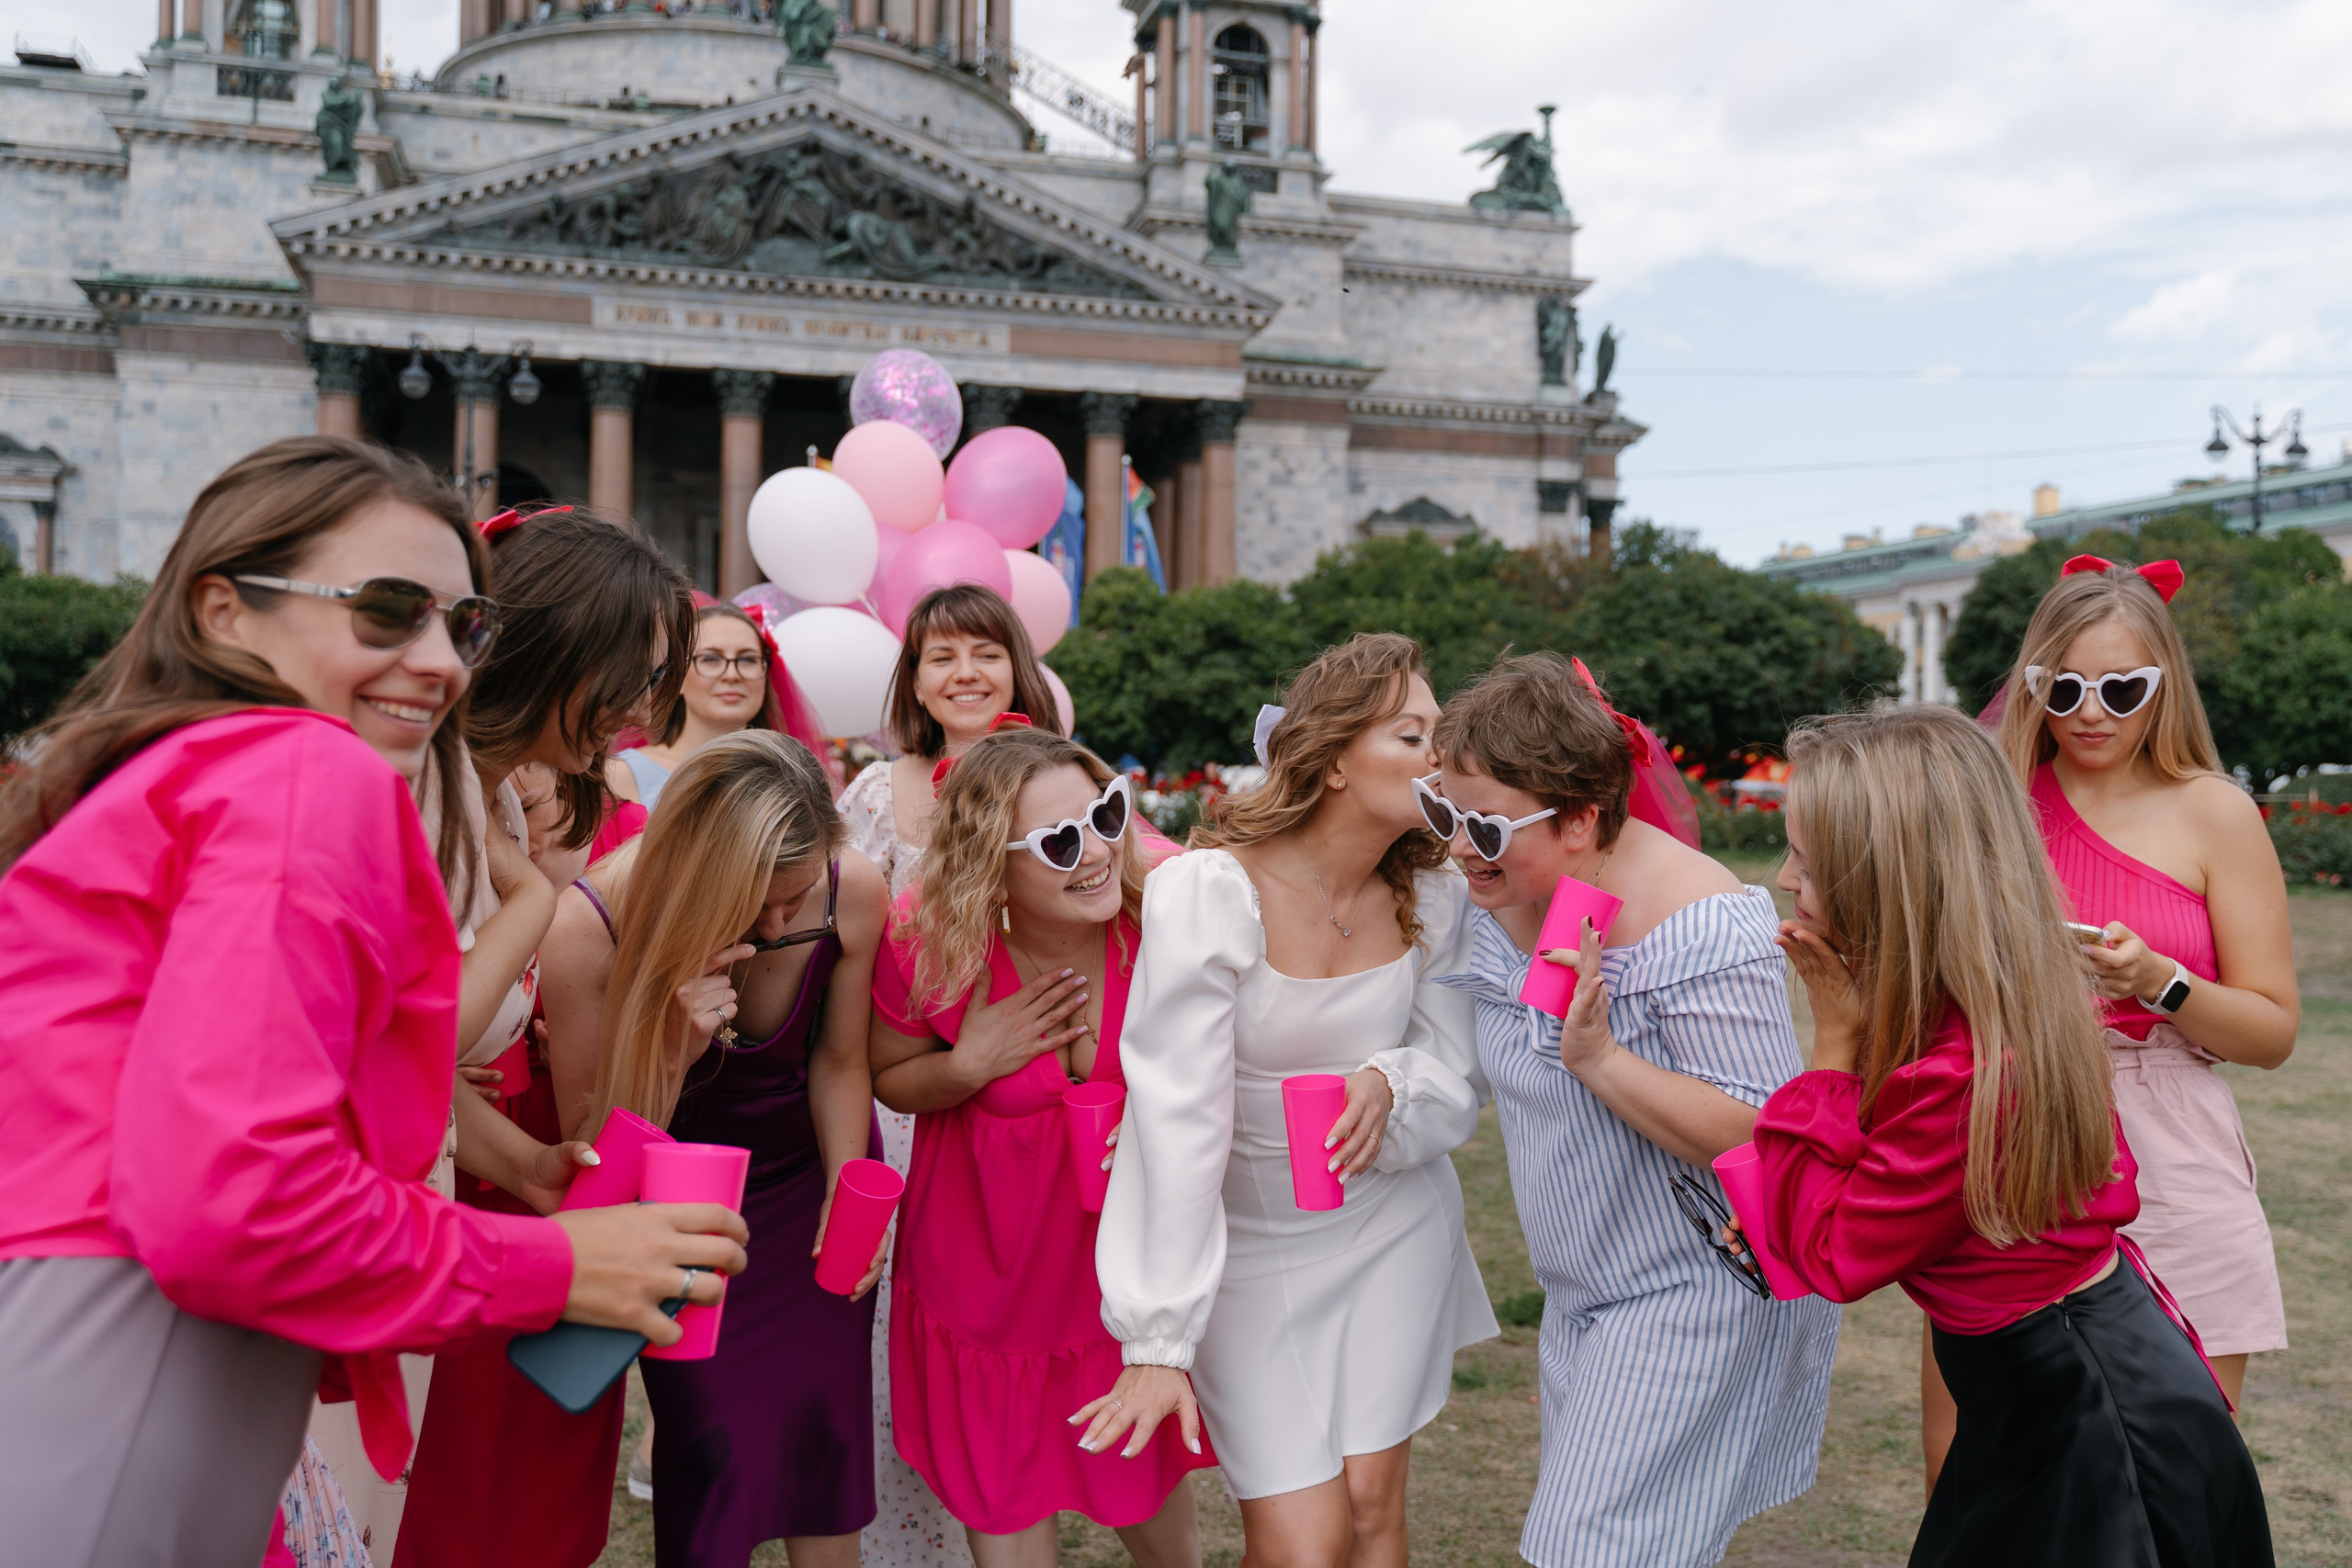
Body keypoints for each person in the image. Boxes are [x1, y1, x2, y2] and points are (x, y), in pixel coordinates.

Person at [0, 436, 745, 1568]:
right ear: (224, 613)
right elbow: (235, 1204)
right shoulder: (313, 773)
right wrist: (559, 1265)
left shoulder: (183, 764)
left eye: (465, 626)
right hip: (128, 1351)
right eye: (386, 611)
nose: (440, 661)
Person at [1757, 705, 2270, 1567]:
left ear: (1884, 881)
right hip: (2060, 1399)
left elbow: (1829, 1252)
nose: (1782, 877)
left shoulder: (1966, 1072)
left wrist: (1834, 1052)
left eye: (1805, 861)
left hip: (2090, 1433)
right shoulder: (1993, 1004)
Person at [1087, 634, 1496, 1568]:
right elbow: (1175, 1117)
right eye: (1411, 735)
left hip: (1391, 1228)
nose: (1442, 758)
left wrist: (1391, 1081)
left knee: (1368, 1510)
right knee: (1299, 1542)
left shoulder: (1435, 892)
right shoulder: (1209, 891)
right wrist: (1159, 1333)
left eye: (1443, 735)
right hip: (1248, 1254)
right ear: (1335, 759)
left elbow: (1454, 1073)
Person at [1421, 653, 1838, 1568]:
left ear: (1579, 820)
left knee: (1586, 1550)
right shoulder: (1504, 892)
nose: (1457, 845)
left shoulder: (1695, 921)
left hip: (1695, 1289)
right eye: (1442, 812)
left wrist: (1601, 1061)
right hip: (1585, 1295)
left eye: (1484, 826)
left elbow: (1770, 1134)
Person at [395, 503, 701, 1568]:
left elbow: (433, 1088)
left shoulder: (510, 809)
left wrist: (529, 1161)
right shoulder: (406, 801)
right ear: (551, 645)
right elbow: (401, 1054)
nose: (634, 711)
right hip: (363, 1222)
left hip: (438, 1193)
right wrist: (530, 908)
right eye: (627, 674)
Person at [540, 730, 890, 1567]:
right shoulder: (588, 926)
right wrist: (670, 1051)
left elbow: (840, 1058)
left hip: (810, 1182)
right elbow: (592, 1156)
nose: (778, 922)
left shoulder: (854, 889)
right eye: (756, 900)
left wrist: (849, 1184)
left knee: (826, 1438)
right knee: (707, 1446)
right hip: (681, 1211)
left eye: (794, 900)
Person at [870, 726, 1212, 1568]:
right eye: (1060, 840)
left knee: (1170, 1549)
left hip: (1123, 1295)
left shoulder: (1161, 907)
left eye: (1105, 812)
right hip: (984, 1299)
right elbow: (888, 1075)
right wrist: (967, 1066)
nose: (1095, 850)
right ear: (993, 862)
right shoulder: (929, 938)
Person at [1987, 555, 2296, 1416]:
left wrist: (2163, 981)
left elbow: (2272, 1033)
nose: (2090, 713)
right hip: (2019, 1127)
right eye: (2064, 687)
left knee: (2180, 1460)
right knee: (1997, 1457)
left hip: (2177, 1145)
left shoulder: (2214, 811)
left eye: (2122, 690)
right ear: (2033, 683)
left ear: (2163, 688)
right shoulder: (1994, 804)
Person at [837, 581, 1066, 1568]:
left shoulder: (1059, 784)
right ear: (914, 682)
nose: (964, 673)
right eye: (941, 657)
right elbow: (843, 969)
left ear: (1018, 667)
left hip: (1041, 1109)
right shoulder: (872, 797)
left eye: (984, 653)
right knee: (902, 1352)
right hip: (904, 1098)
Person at [608, 601, 776, 811]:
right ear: (676, 677)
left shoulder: (785, 776)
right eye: (710, 659)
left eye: (747, 659)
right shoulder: (622, 775)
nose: (732, 675)